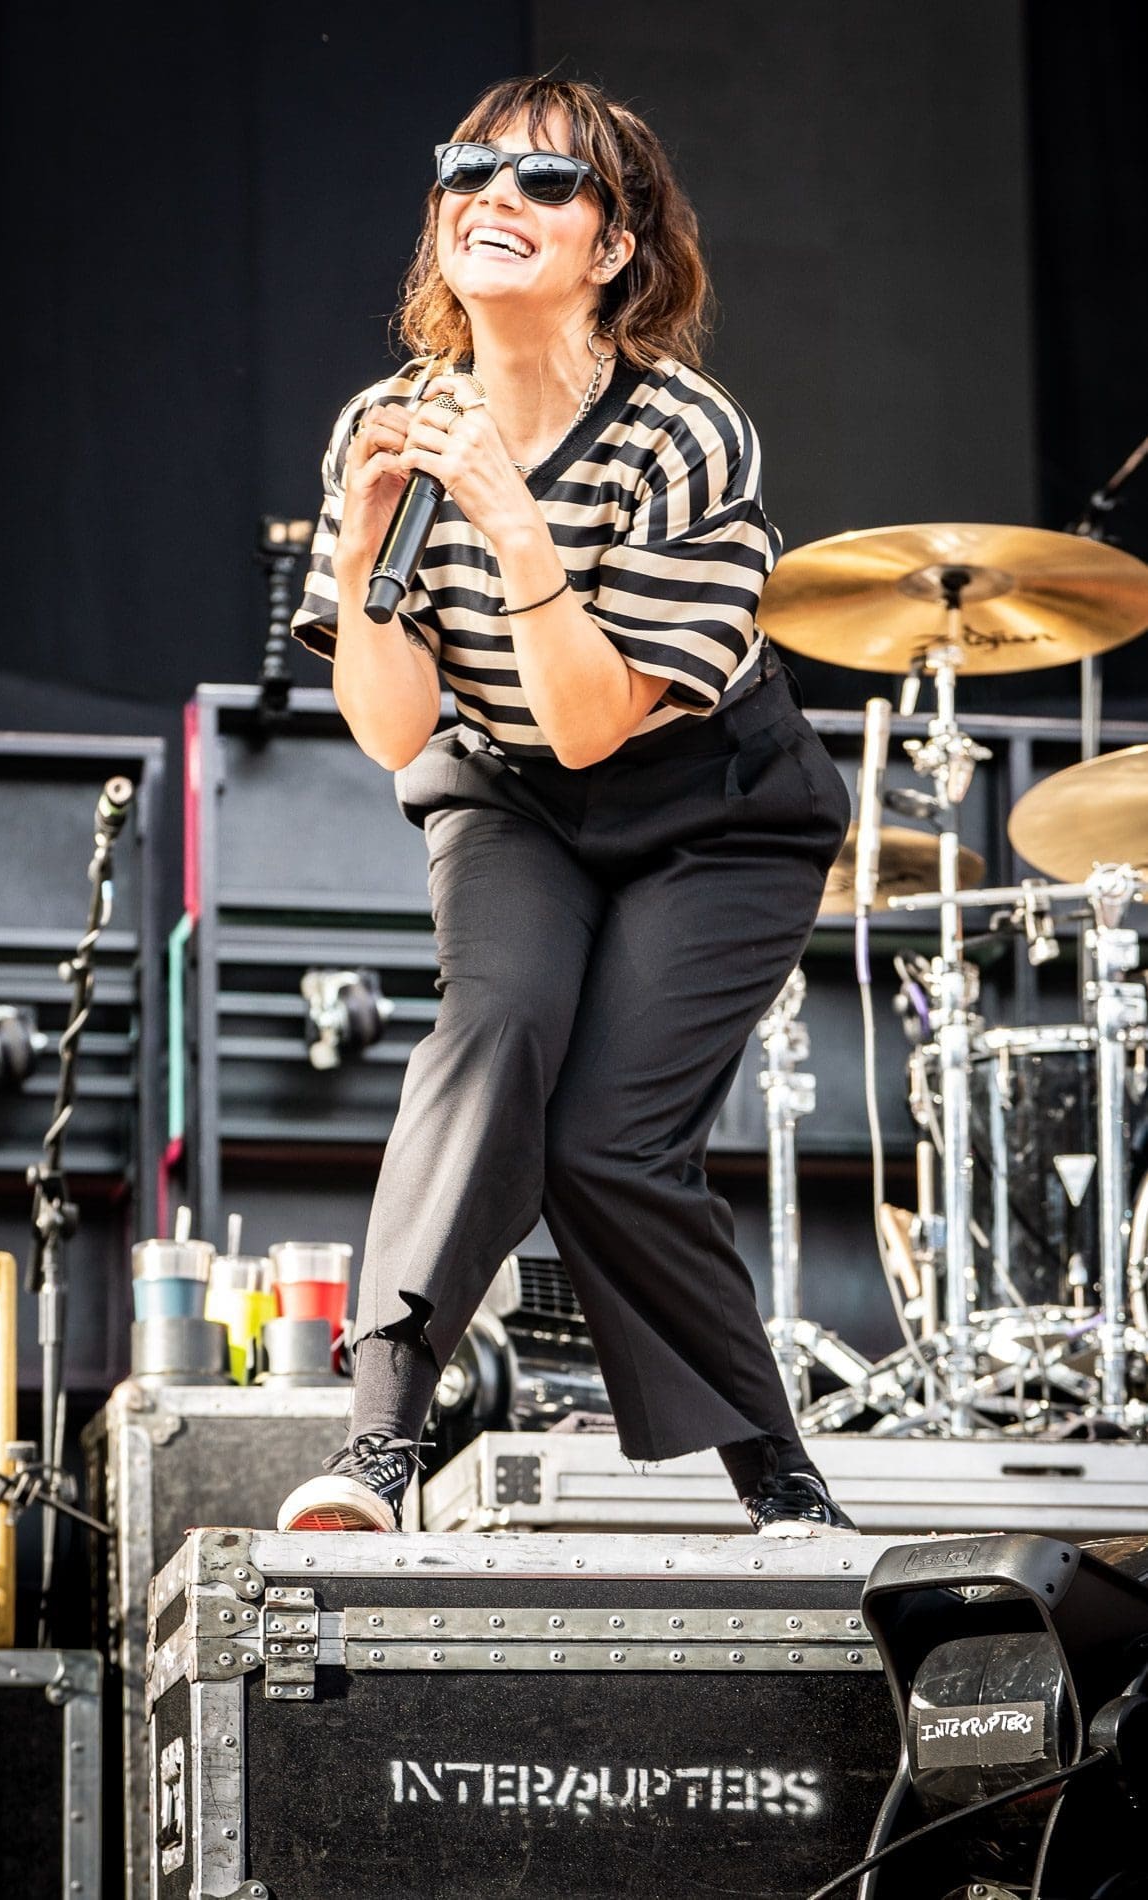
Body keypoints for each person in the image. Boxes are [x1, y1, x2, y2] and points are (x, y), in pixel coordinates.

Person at [278, 75, 855, 1538]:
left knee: (606, 1146)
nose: (493, 196)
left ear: (614, 248)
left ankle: (776, 1482)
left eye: (545, 183)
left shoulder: (681, 436)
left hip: (710, 803)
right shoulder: (385, 427)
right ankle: (379, 1447)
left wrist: (513, 518)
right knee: (493, 1032)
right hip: (507, 793)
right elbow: (392, 722)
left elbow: (599, 718)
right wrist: (361, 562)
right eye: (468, 169)